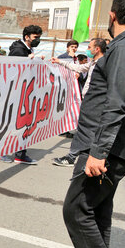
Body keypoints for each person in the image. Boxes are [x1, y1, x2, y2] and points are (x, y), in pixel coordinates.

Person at [50, 0, 125, 248]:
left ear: (112, 16)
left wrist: (98, 153)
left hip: (106, 147)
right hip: (105, 144)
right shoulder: (122, 48)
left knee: (76, 208)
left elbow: (116, 103)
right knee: (98, 210)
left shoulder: (124, 48)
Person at [50, 38, 107, 167]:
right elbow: (79, 67)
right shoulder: (94, 62)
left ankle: (72, 157)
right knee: (88, 130)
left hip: (94, 103)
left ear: (97, 49)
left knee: (82, 130)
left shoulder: (103, 64)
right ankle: (84, 156)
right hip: (89, 101)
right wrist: (60, 62)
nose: (87, 50)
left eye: (89, 47)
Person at [2, 24, 44, 164]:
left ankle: (20, 153)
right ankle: (12, 152)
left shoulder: (27, 50)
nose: (38, 40)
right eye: (35, 37)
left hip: (23, 93)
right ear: (27, 37)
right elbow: (15, 71)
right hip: (16, 94)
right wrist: (28, 60)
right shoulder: (19, 51)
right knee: (15, 124)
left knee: (22, 124)